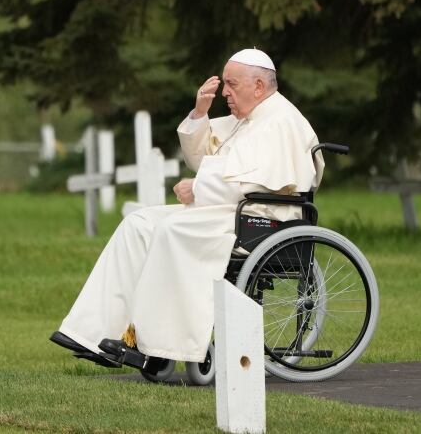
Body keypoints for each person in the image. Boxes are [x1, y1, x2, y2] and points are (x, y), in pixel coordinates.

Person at [50, 49, 325, 369]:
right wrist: (199, 113)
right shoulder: (249, 119)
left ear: (259, 86)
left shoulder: (281, 120)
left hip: (264, 217)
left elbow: (257, 185)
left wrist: (197, 187)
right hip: (235, 211)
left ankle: (153, 347)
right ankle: (91, 333)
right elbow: (204, 160)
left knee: (171, 229)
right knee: (139, 222)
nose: (225, 93)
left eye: (232, 85)